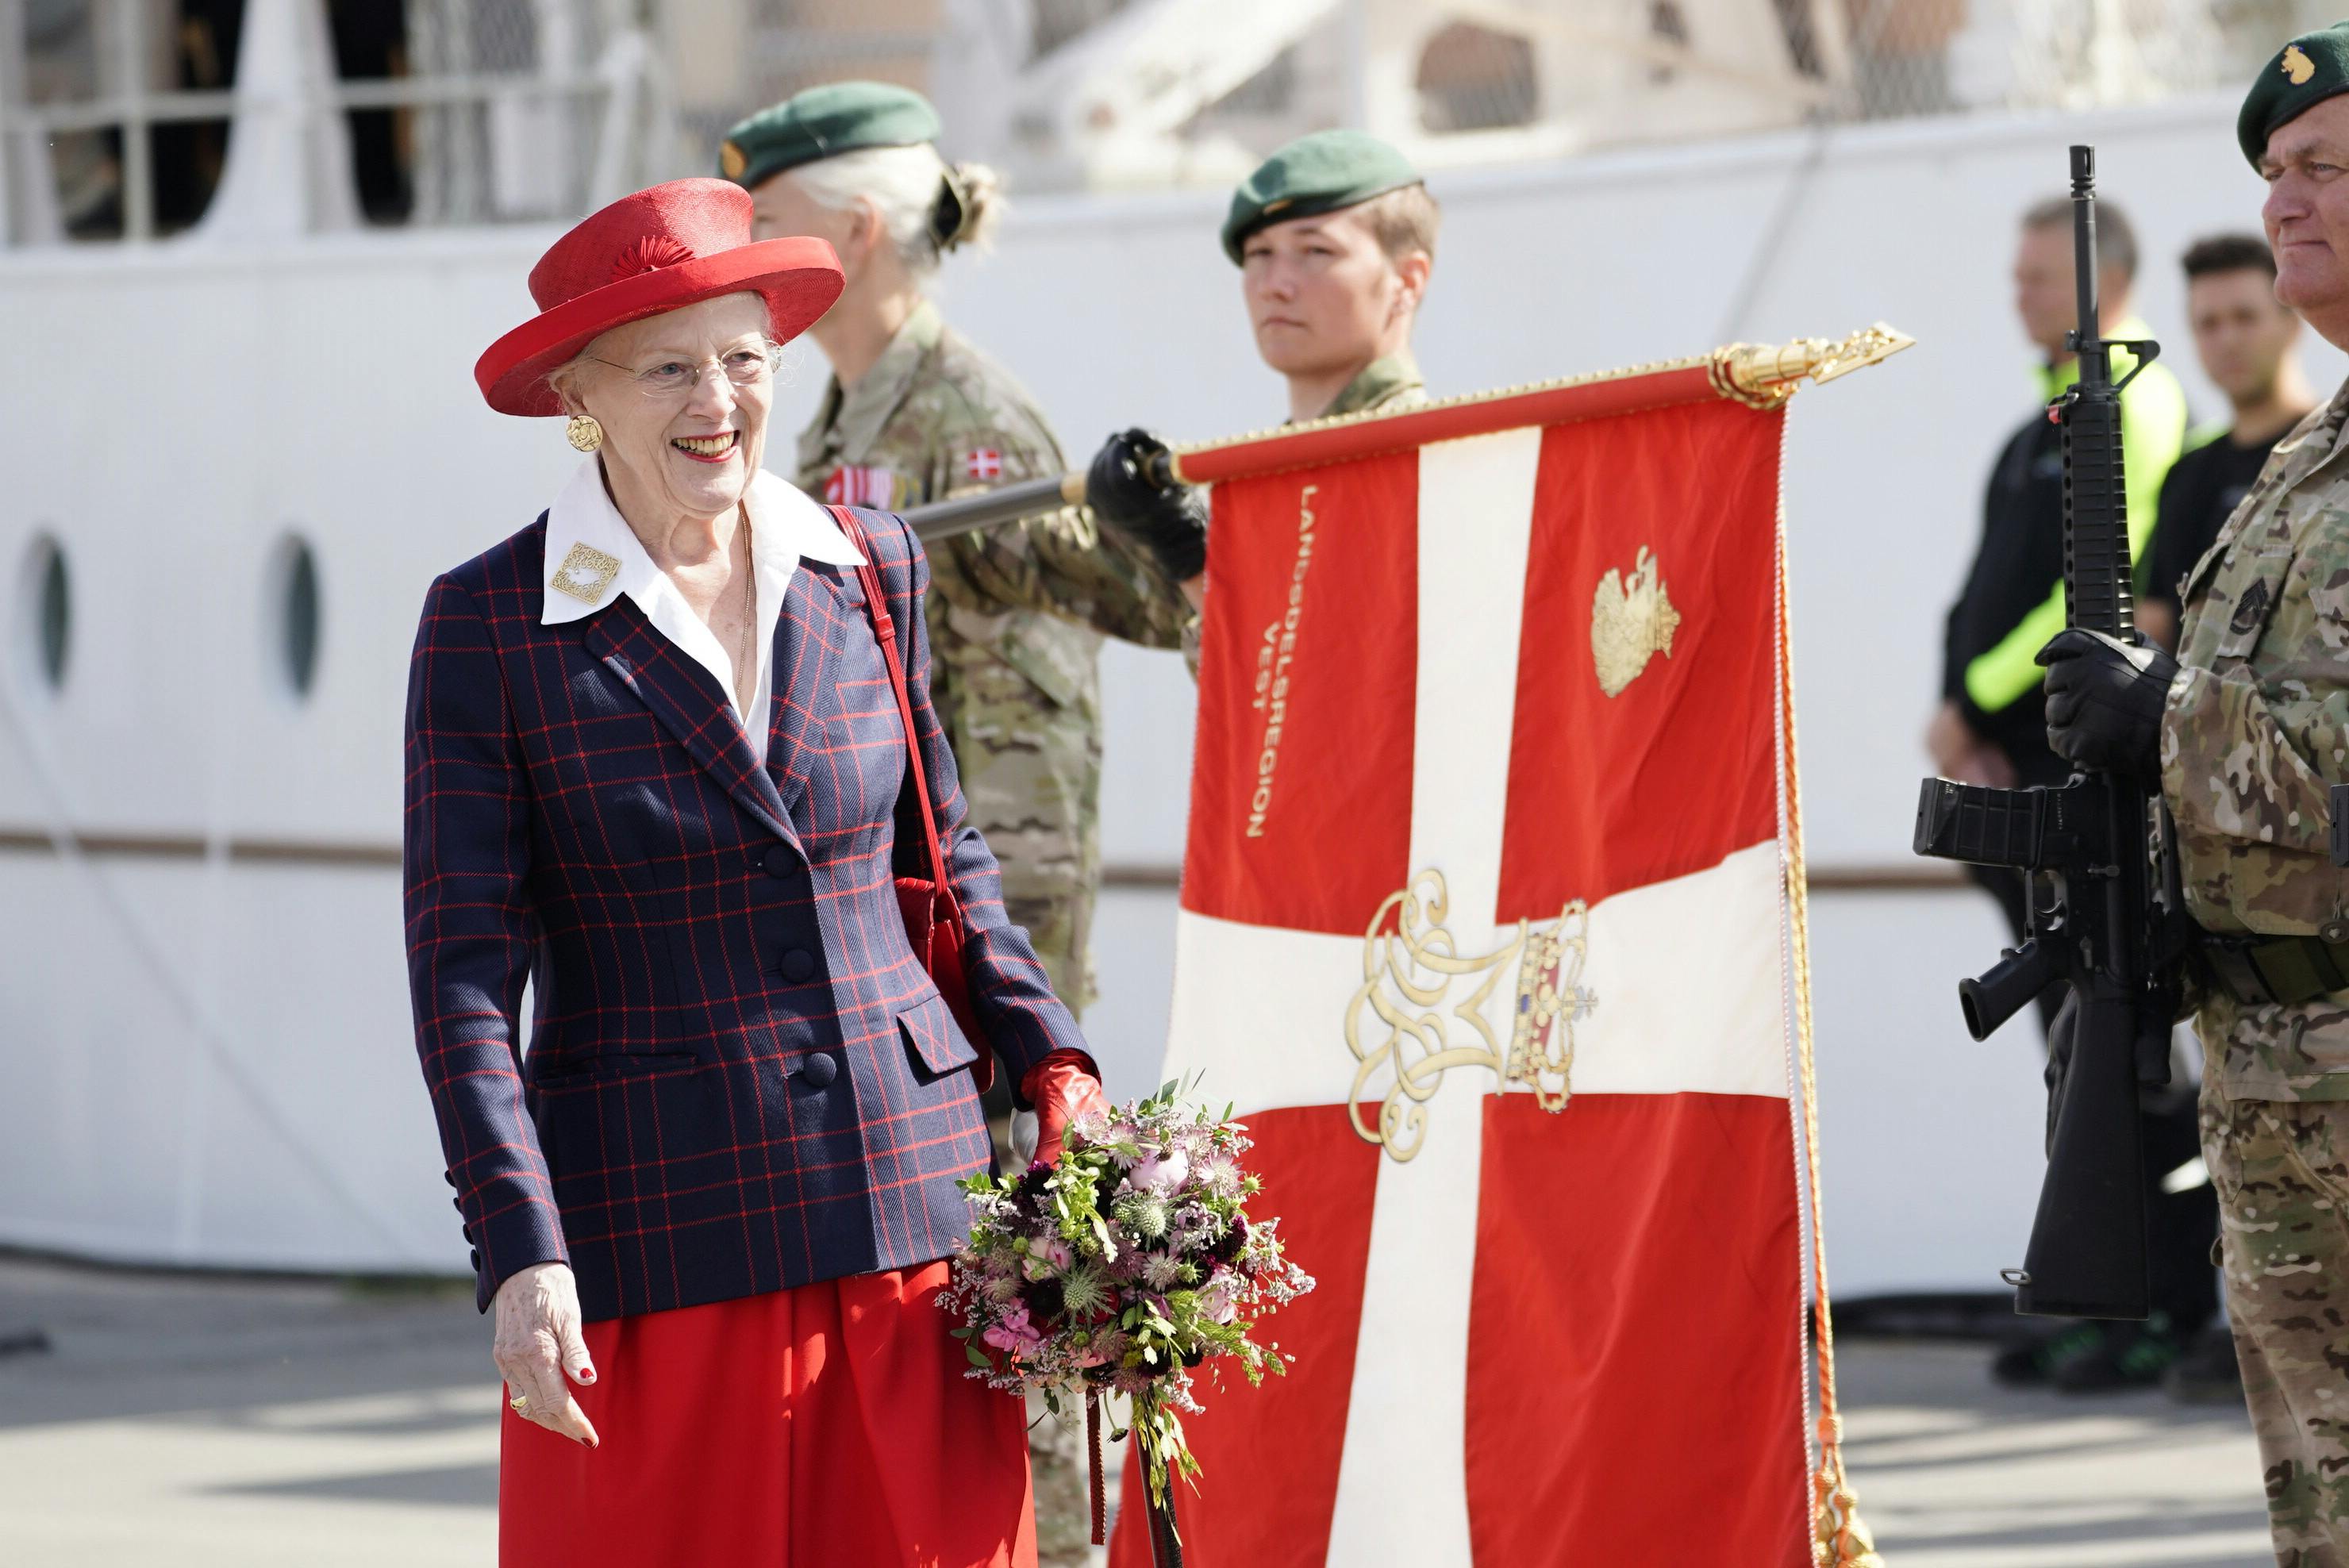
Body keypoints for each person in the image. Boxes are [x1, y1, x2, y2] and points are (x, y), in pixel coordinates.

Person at [404, 177, 1108, 1567]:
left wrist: (1055, 1065)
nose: (716, 400)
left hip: (914, 1223)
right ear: (580, 400)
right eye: (669, 367)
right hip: (658, 1254)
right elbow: (465, 982)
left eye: (743, 360)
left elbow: (945, 861)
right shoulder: (486, 621)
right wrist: (517, 1244)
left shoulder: (872, 565)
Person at [2044, 24, 2349, 1562]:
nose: (2282, 201)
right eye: (2269, 176)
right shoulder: (2304, 464)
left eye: (2320, 170)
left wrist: (2162, 710)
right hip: (2276, 1092)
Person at [719, 82, 1194, 1033]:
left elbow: (1144, 597)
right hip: (901, 840)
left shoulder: (967, 410)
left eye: (766, 222)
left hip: (995, 849)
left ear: (855, 231)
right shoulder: (840, 416)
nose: (744, 258)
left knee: (1011, 1139)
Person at [1932, 193, 2195, 1391]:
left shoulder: (2128, 408)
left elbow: (2095, 591)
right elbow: (1985, 584)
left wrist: (1984, 694)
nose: (2023, 293)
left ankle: (2148, 1301)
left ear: (2107, 282)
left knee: (2118, 1040)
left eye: (2042, 274)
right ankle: (2093, 1287)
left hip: (2064, 750)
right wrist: (1959, 702)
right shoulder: (2036, 422)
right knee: (2069, 1043)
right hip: (2011, 749)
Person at [1088, 129, 1439, 596]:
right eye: (1259, 254)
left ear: (1407, 281)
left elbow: (1304, 660)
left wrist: (1192, 557)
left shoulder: (1411, 463)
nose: (1275, 284)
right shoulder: (1281, 475)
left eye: (1316, 251)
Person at [2140, 234, 2318, 652]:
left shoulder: (2332, 453)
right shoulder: (2186, 474)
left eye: (2245, 317)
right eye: (2209, 324)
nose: (2228, 340)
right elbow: (2155, 629)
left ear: (2293, 322)